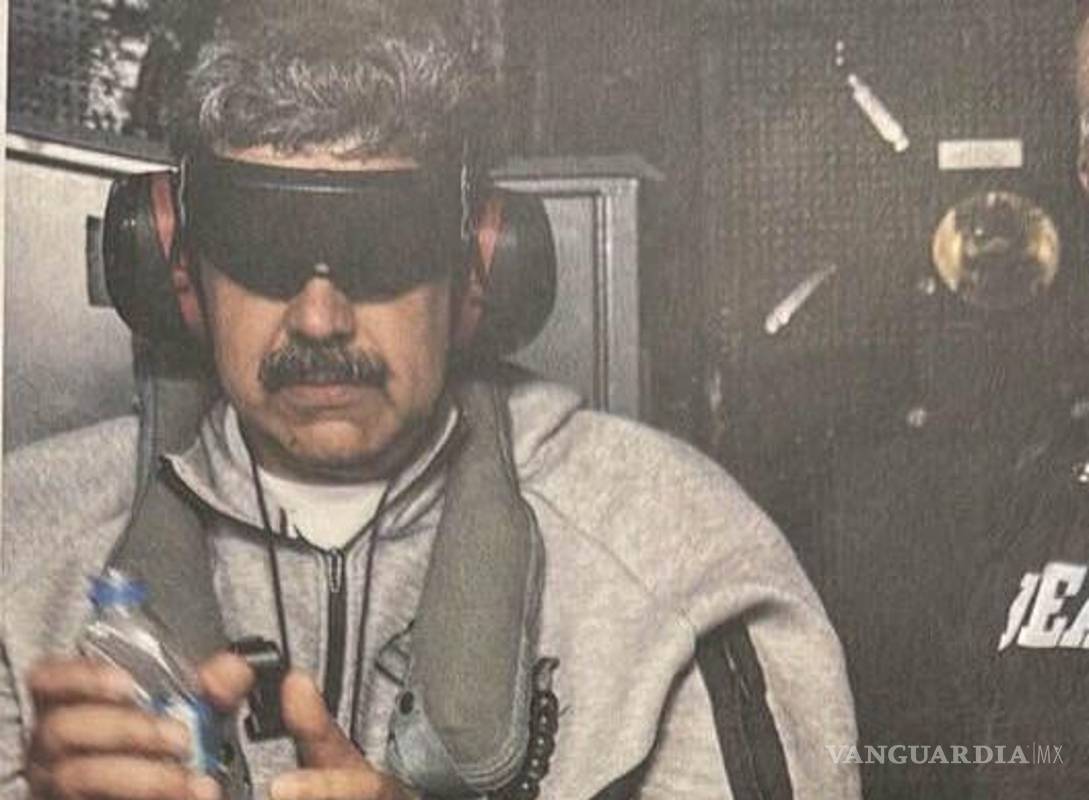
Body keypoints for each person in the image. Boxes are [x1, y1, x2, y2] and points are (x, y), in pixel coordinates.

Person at [0, 3, 859, 798]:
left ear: (479, 268)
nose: (320, 319)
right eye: (263, 249)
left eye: (379, 249)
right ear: (177, 268)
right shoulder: (21, 546)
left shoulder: (681, 554)